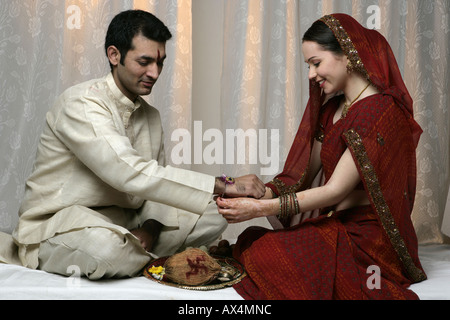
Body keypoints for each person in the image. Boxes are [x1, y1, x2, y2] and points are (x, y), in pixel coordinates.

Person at [0, 10, 265, 280]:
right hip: (63, 224)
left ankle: (143, 254)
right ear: (114, 55)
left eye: (160, 62)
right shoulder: (81, 103)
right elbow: (130, 173)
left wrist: (150, 228)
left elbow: (156, 186)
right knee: (107, 249)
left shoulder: (150, 116)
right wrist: (226, 183)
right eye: (145, 61)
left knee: (218, 209)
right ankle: (163, 258)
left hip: (128, 222)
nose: (155, 72)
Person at [216, 13, 426, 299]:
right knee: (254, 240)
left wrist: (260, 209)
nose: (311, 75)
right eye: (308, 66)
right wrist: (255, 193)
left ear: (348, 55)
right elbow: (300, 178)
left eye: (316, 63)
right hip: (336, 222)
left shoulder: (379, 111)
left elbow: (334, 190)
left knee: (267, 254)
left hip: (369, 236)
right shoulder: (332, 110)